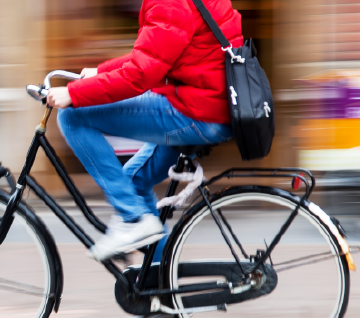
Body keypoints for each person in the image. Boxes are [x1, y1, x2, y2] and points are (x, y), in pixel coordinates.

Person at [47, 0, 243, 263]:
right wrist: (101, 72)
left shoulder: (169, 2)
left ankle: (133, 218)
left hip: (195, 112)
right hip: (210, 106)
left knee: (72, 117)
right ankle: (161, 282)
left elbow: (140, 75)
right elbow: (160, 53)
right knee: (132, 184)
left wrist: (72, 94)